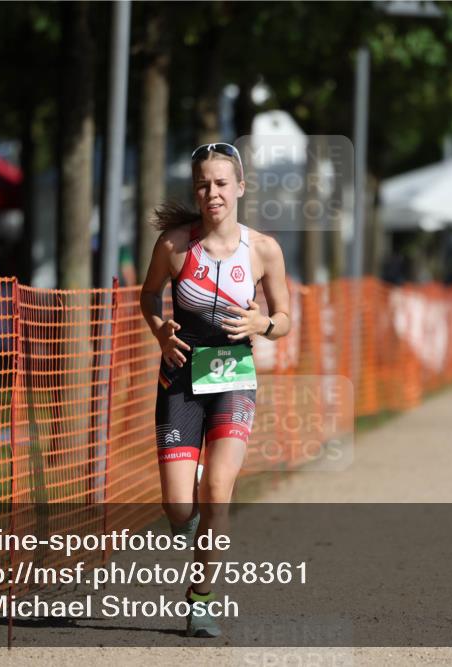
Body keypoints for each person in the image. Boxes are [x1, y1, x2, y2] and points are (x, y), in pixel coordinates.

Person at [139, 142, 291, 638]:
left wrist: (262, 323)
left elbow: (286, 319)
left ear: (240, 187)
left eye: (222, 183)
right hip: (180, 381)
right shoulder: (173, 246)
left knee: (217, 493)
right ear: (196, 190)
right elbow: (148, 298)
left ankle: (201, 600)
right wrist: (161, 329)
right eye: (204, 184)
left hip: (232, 380)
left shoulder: (264, 249)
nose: (213, 192)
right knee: (178, 509)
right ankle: (198, 519)